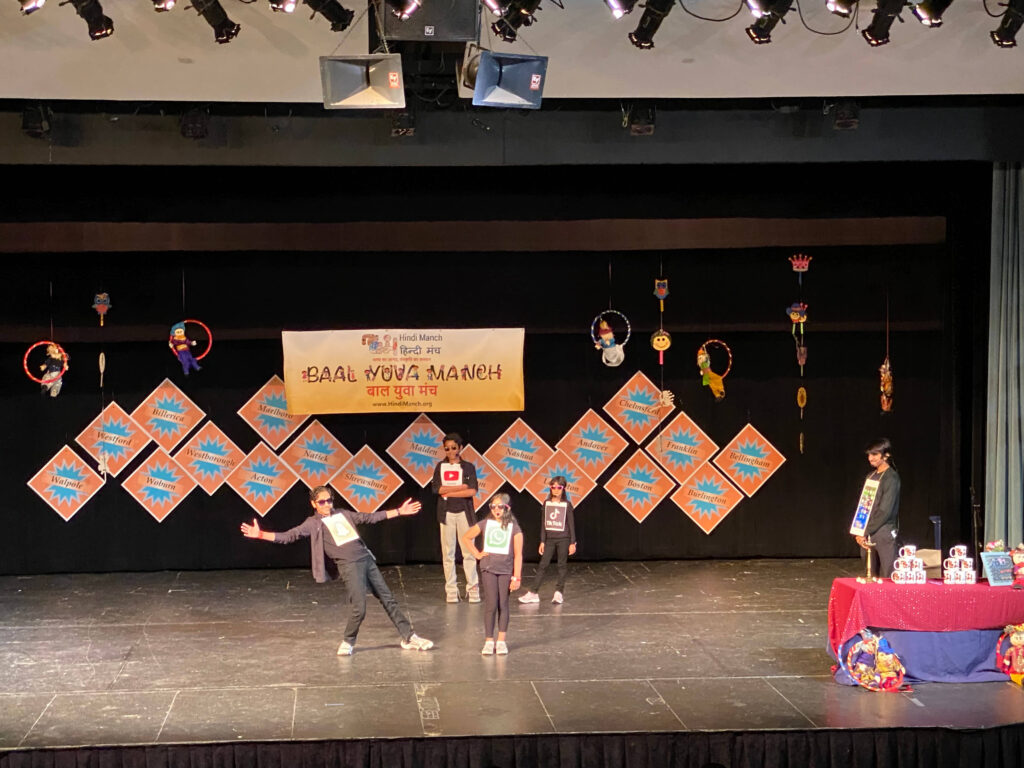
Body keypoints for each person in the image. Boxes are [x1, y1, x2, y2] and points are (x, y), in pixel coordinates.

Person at [240, 485, 434, 656]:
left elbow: (370, 517)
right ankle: (348, 640)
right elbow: (289, 536)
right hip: (350, 566)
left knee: (388, 599)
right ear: (314, 504)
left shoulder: (343, 514)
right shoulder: (313, 523)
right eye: (322, 502)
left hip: (367, 561)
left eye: (329, 500)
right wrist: (261, 534)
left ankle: (409, 637)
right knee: (359, 607)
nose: (327, 504)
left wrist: (399, 511)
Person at [461, 493, 523, 655]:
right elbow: (466, 537)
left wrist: (516, 576)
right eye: (493, 506)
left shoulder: (514, 528)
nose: (496, 509)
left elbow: (518, 554)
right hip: (488, 568)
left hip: (505, 571)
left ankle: (501, 641)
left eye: (500, 506)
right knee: (491, 604)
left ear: (507, 508)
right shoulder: (485, 524)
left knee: (503, 604)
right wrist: (477, 553)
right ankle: (489, 641)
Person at [431, 432, 480, 603]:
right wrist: (461, 487)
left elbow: (472, 490)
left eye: (453, 448)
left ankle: (473, 588)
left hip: (465, 513)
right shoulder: (440, 466)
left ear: (460, 448)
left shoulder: (468, 467)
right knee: (448, 553)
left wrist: (450, 491)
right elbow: (437, 489)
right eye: (447, 449)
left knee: (469, 552)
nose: (450, 451)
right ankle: (451, 590)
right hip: (446, 514)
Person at [519, 475, 577, 605]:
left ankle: (559, 593)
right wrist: (542, 541)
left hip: (563, 539)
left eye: (559, 487)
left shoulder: (567, 505)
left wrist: (573, 542)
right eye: (553, 487)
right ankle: (533, 593)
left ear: (563, 489)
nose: (556, 490)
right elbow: (543, 523)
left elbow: (571, 524)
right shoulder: (546, 503)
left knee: (561, 565)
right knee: (543, 565)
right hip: (550, 539)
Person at [854, 438, 901, 578]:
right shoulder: (871, 476)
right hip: (868, 532)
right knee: (870, 575)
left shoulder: (891, 478)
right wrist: (859, 531)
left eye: (874, 454)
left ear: (886, 455)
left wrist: (865, 530)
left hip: (884, 531)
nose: (870, 458)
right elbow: (864, 506)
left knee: (887, 575)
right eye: (869, 455)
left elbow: (885, 511)